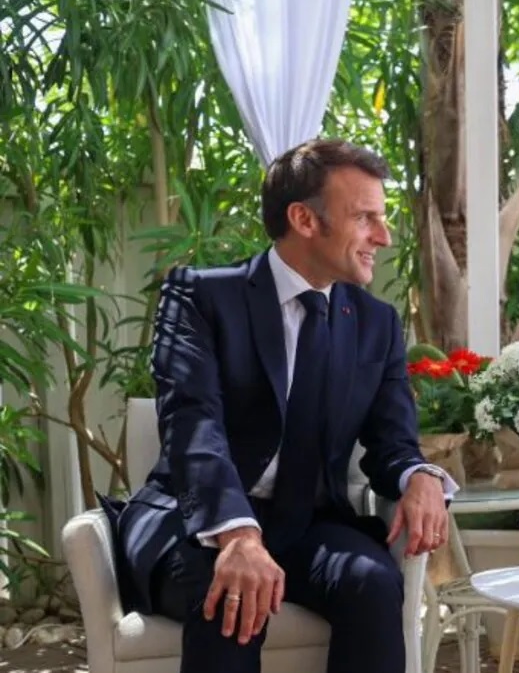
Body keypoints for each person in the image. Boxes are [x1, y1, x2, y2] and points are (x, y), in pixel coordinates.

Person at [105, 138, 456, 673]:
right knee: (231, 597)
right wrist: (237, 533)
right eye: (365, 218)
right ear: (304, 219)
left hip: (305, 525)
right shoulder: (199, 297)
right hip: (195, 522)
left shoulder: (376, 324)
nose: (382, 238)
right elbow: (192, 425)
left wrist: (419, 475)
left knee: (373, 584)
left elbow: (392, 442)